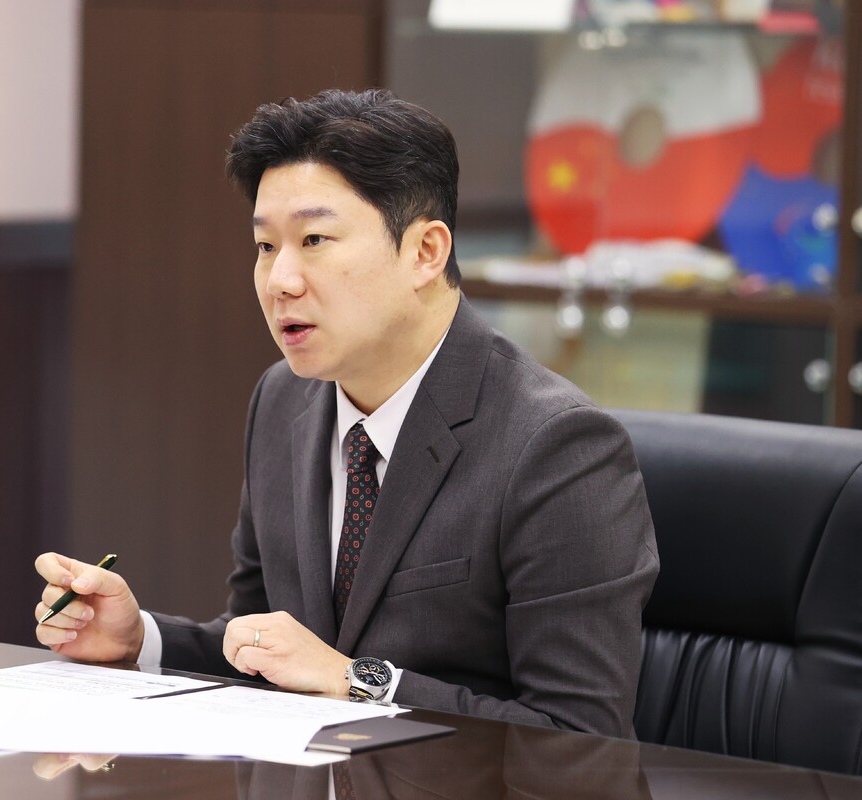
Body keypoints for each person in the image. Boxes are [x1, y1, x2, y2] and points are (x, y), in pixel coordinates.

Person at [34, 88, 659, 738]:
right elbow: (263, 649)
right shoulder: (282, 400)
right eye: (265, 246)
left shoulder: (555, 446)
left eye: (314, 239)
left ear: (425, 252)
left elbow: (580, 738)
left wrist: (357, 680)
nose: (281, 281)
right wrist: (140, 639)